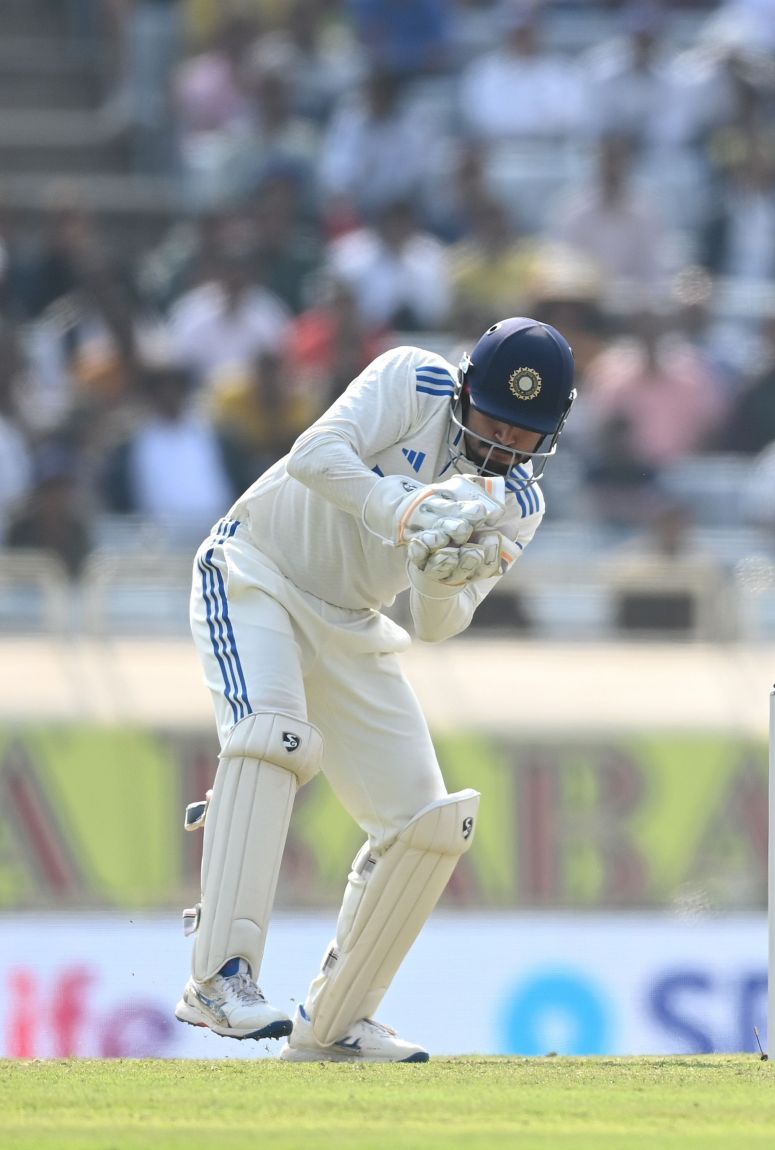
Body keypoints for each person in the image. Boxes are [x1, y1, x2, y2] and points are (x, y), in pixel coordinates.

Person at [173, 318, 576, 1062]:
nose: (505, 446)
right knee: (272, 738)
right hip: (257, 571)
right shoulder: (413, 379)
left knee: (427, 822)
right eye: (495, 421)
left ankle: (334, 1026)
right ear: (464, 392)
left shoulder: (519, 501)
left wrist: (436, 570)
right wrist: (410, 510)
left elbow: (435, 623)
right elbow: (313, 456)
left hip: (352, 625)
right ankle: (218, 979)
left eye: (527, 435)